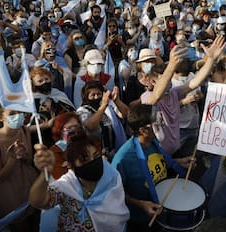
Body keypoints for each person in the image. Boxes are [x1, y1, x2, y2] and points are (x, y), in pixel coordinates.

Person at [112, 101, 192, 231]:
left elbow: (156, 163)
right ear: (143, 130)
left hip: (161, 208)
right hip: (139, 219)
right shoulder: (123, 159)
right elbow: (115, 192)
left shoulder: (153, 142)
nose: (162, 125)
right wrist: (141, 204)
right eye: (157, 124)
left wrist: (180, 162)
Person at [29, 131, 129, 231]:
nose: (93, 161)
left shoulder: (110, 175)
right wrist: (44, 174)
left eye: (96, 156)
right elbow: (38, 202)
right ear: (70, 166)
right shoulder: (66, 187)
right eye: (84, 159)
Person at [0, 108, 39, 232]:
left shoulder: (24, 130)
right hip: (10, 192)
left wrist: (24, 155)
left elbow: (29, 160)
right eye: (12, 114)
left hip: (29, 184)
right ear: (1, 117)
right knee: (20, 225)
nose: (18, 116)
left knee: (36, 219)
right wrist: (13, 158)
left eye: (20, 112)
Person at [77, 81, 128, 159]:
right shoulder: (82, 110)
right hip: (97, 155)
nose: (96, 97)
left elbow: (126, 114)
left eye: (98, 94)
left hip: (115, 152)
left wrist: (116, 101)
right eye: (93, 95)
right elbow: (90, 126)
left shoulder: (109, 107)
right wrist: (103, 106)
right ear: (86, 97)